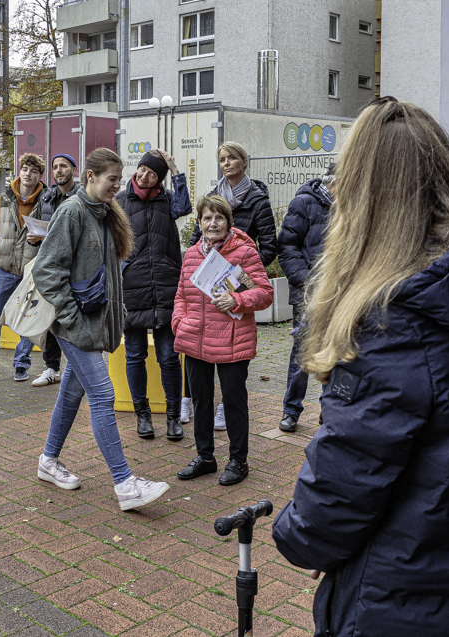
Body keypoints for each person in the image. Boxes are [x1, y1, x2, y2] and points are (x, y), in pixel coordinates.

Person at [271, 98, 449, 637]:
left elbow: (343, 484)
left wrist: (294, 535)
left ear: (362, 196)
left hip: (404, 598)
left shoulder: (394, 321)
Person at [32, 148, 171, 511]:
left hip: (94, 326)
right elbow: (46, 271)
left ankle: (48, 461)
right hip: (77, 329)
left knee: (71, 394)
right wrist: (73, 319)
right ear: (91, 176)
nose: (117, 185)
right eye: (112, 179)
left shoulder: (104, 212)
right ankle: (126, 485)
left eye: (118, 179)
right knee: (104, 396)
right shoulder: (72, 211)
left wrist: (117, 313)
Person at [173, 195, 273, 486]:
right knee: (202, 401)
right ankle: (205, 457)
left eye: (219, 217)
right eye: (207, 218)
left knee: (233, 402)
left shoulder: (244, 252)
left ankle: (238, 461)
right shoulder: (192, 254)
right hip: (195, 340)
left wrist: (237, 299)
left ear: (229, 221)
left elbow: (265, 293)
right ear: (200, 223)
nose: (213, 223)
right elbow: (181, 295)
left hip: (232, 341)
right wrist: (180, 322)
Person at [189, 141, 279, 431]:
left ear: (244, 161)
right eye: (222, 159)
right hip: (208, 287)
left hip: (238, 281)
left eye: (232, 158)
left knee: (236, 350)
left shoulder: (258, 199)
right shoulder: (213, 197)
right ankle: (193, 402)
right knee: (203, 348)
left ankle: (228, 406)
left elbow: (269, 245)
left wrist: (242, 270)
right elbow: (195, 239)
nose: (226, 163)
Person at [115, 149, 192, 441]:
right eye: (142, 170)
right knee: (134, 356)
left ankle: (173, 418)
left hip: (165, 286)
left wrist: (175, 169)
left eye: (152, 174)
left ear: (160, 178)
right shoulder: (120, 201)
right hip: (131, 287)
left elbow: (185, 206)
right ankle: (142, 417)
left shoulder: (167, 199)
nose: (145, 176)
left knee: (168, 357)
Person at [275, 165, 335, 432]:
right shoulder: (304, 202)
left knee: (336, 352)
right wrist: (307, 281)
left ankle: (329, 410)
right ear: (333, 181)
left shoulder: (354, 204)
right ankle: (291, 410)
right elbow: (286, 245)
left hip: (340, 292)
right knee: (302, 353)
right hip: (308, 293)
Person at [0, 153, 47, 381]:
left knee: (28, 318)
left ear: (40, 176)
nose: (29, 174)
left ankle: (22, 363)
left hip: (32, 271)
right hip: (6, 269)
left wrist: (42, 240)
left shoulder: (47, 202)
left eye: (34, 171)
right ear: (19, 171)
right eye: (26, 169)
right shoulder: (4, 199)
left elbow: (55, 232)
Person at [31, 153, 81, 387]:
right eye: (55, 167)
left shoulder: (81, 197)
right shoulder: (47, 197)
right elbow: (39, 227)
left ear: (74, 170)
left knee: (73, 315)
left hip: (75, 266)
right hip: (51, 265)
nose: (59, 170)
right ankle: (52, 368)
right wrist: (33, 238)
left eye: (64, 166)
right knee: (50, 317)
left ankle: (77, 365)